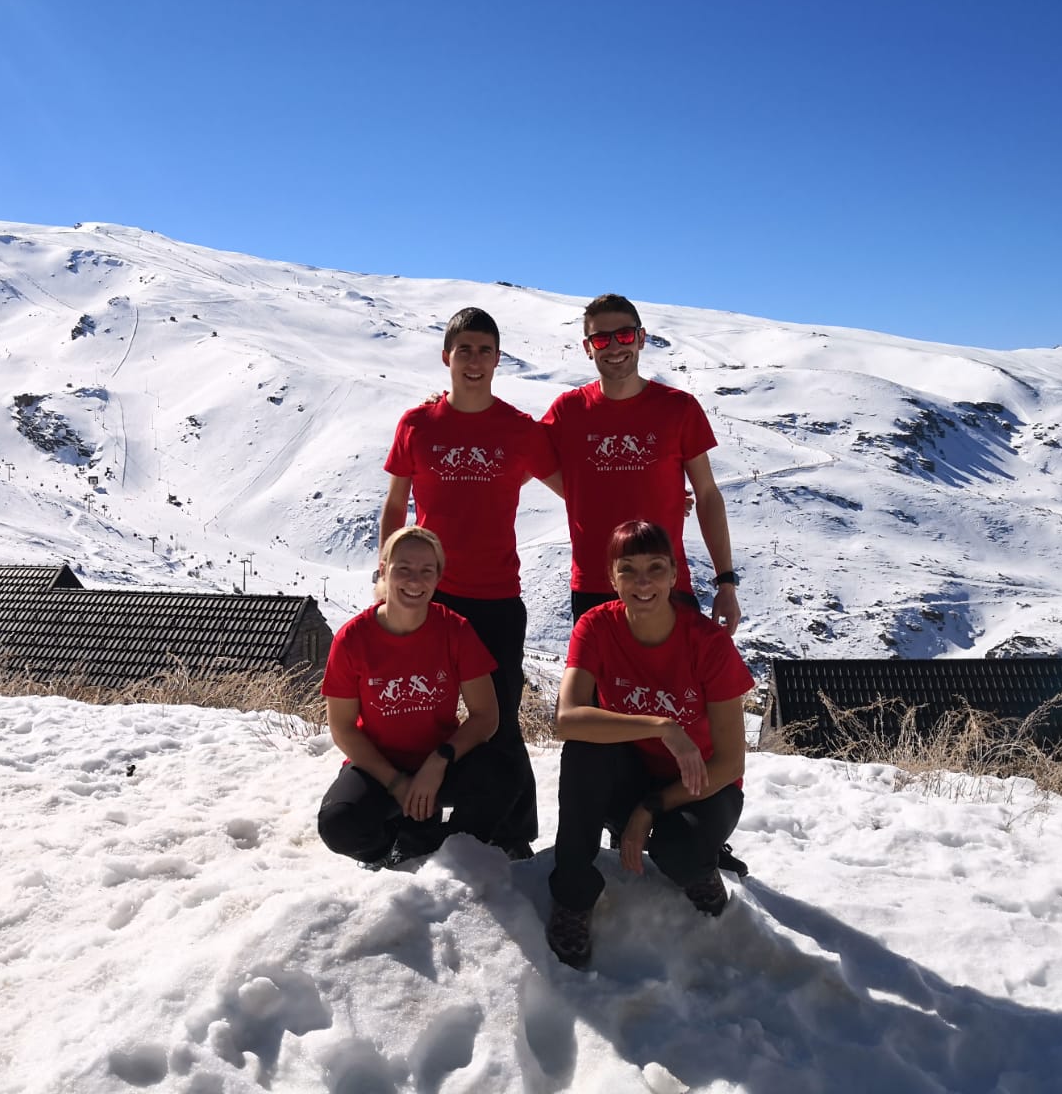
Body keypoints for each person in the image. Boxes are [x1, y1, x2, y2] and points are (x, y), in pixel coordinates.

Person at [379, 307, 560, 857]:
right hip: (429, 596)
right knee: (423, 716)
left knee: (498, 717)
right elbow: (393, 505)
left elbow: (580, 495)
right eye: (466, 350)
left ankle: (512, 833)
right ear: (447, 357)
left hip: (497, 597)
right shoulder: (418, 425)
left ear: (498, 359)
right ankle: (409, 822)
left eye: (485, 350)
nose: (475, 360)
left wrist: (662, 503)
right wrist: (385, 577)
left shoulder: (519, 430)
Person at [545, 519, 754, 969]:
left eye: (655, 568)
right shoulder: (596, 627)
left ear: (675, 574)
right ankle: (573, 897)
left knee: (677, 851)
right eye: (629, 570)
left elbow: (730, 760)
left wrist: (651, 807)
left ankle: (700, 870)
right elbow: (567, 718)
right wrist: (661, 725)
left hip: (705, 783)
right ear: (611, 578)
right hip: (634, 770)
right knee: (585, 748)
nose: (643, 582)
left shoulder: (708, 644)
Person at [318, 526, 520, 868]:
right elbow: (343, 728)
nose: (415, 581)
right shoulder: (353, 639)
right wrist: (395, 782)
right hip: (377, 765)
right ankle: (385, 850)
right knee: (339, 824)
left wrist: (438, 762)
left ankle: (438, 846)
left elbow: (486, 716)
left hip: (440, 762)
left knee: (503, 775)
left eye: (426, 571)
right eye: (404, 569)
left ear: (438, 577)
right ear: (384, 570)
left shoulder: (455, 630)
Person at [541, 293, 742, 632]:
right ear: (588, 348)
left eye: (624, 335)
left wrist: (726, 581)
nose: (615, 347)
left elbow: (707, 495)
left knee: (676, 686)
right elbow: (519, 450)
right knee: (596, 687)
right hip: (595, 588)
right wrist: (445, 404)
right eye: (602, 338)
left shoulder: (679, 409)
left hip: (666, 586)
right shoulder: (568, 411)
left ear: (642, 338)